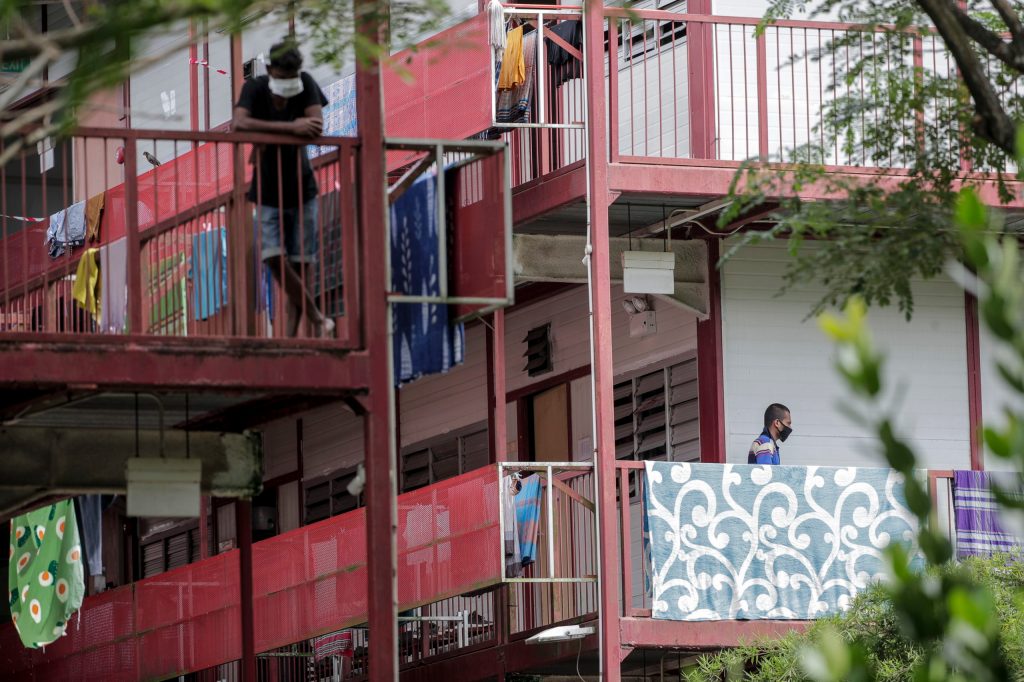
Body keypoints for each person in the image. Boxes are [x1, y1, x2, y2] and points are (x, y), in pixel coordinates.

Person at [233, 39, 332, 337]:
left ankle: (289, 338)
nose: (289, 80)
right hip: (266, 191)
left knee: (302, 266)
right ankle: (315, 316)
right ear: (270, 69)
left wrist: (265, 129)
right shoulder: (256, 88)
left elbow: (316, 125)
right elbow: (238, 124)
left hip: (303, 188)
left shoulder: (306, 83)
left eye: (293, 75)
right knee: (273, 256)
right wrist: (292, 128)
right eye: (283, 74)